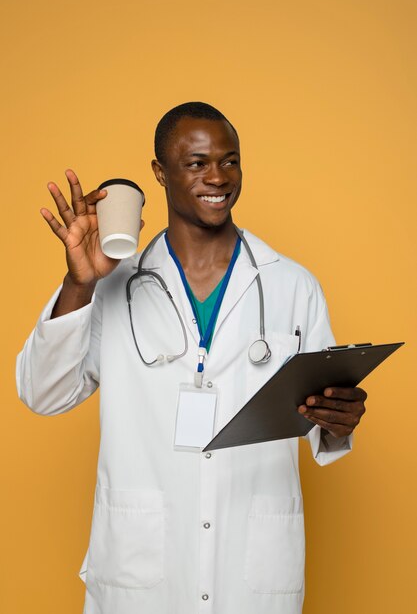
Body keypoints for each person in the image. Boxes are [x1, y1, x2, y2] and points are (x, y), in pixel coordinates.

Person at [16, 102, 366, 614]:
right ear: (159, 172)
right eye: (196, 163)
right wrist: (78, 283)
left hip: (251, 573)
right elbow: (42, 394)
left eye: (230, 160)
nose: (217, 177)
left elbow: (321, 421)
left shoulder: (292, 285)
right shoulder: (112, 285)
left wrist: (339, 420)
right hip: (141, 572)